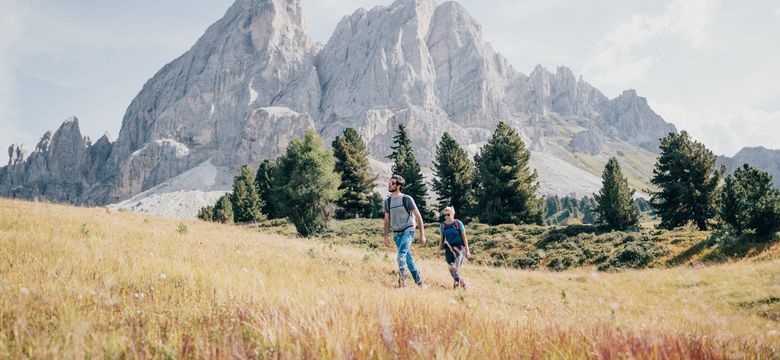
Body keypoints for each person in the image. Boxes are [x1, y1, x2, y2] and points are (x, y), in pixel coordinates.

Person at [383, 175, 427, 287]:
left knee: (401, 256)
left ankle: (403, 282)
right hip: (396, 233)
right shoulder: (387, 202)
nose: (389, 184)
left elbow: (418, 217)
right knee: (408, 259)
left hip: (408, 230)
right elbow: (387, 220)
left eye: (392, 183)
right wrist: (386, 236)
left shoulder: (406, 199)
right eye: (389, 182)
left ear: (398, 185)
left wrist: (422, 235)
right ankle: (420, 283)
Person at [439, 206, 470, 290]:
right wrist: (438, 251)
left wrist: (467, 251)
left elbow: (464, 237)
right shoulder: (443, 225)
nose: (446, 217)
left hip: (459, 249)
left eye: (448, 214)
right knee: (451, 271)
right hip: (448, 250)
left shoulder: (458, 223)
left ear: (453, 214)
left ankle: (455, 290)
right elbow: (441, 239)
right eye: (445, 215)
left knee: (456, 269)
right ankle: (463, 284)